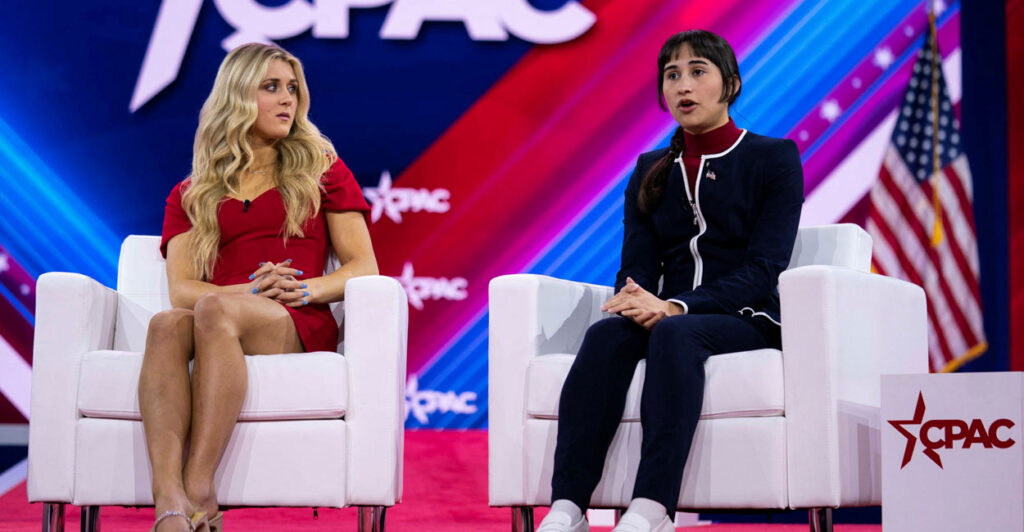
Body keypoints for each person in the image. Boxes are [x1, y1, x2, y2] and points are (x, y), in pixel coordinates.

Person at [536, 30, 804, 532]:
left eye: (698, 72)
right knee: (606, 335)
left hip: (747, 319)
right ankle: (567, 506)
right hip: (668, 314)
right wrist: (635, 298)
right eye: (672, 75)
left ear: (731, 84)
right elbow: (635, 265)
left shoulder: (774, 158)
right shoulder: (648, 170)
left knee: (677, 332)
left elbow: (765, 268)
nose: (683, 85)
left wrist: (675, 307)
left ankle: (653, 507)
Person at [138, 43, 377, 532]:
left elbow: (363, 267)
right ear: (237, 97)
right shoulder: (191, 193)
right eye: (271, 87)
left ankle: (200, 485)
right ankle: (169, 500)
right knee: (166, 324)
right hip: (224, 308)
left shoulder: (323, 171)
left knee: (212, 313)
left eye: (292, 88)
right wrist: (249, 291)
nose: (287, 99)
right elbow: (182, 290)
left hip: (292, 317)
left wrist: (304, 290)